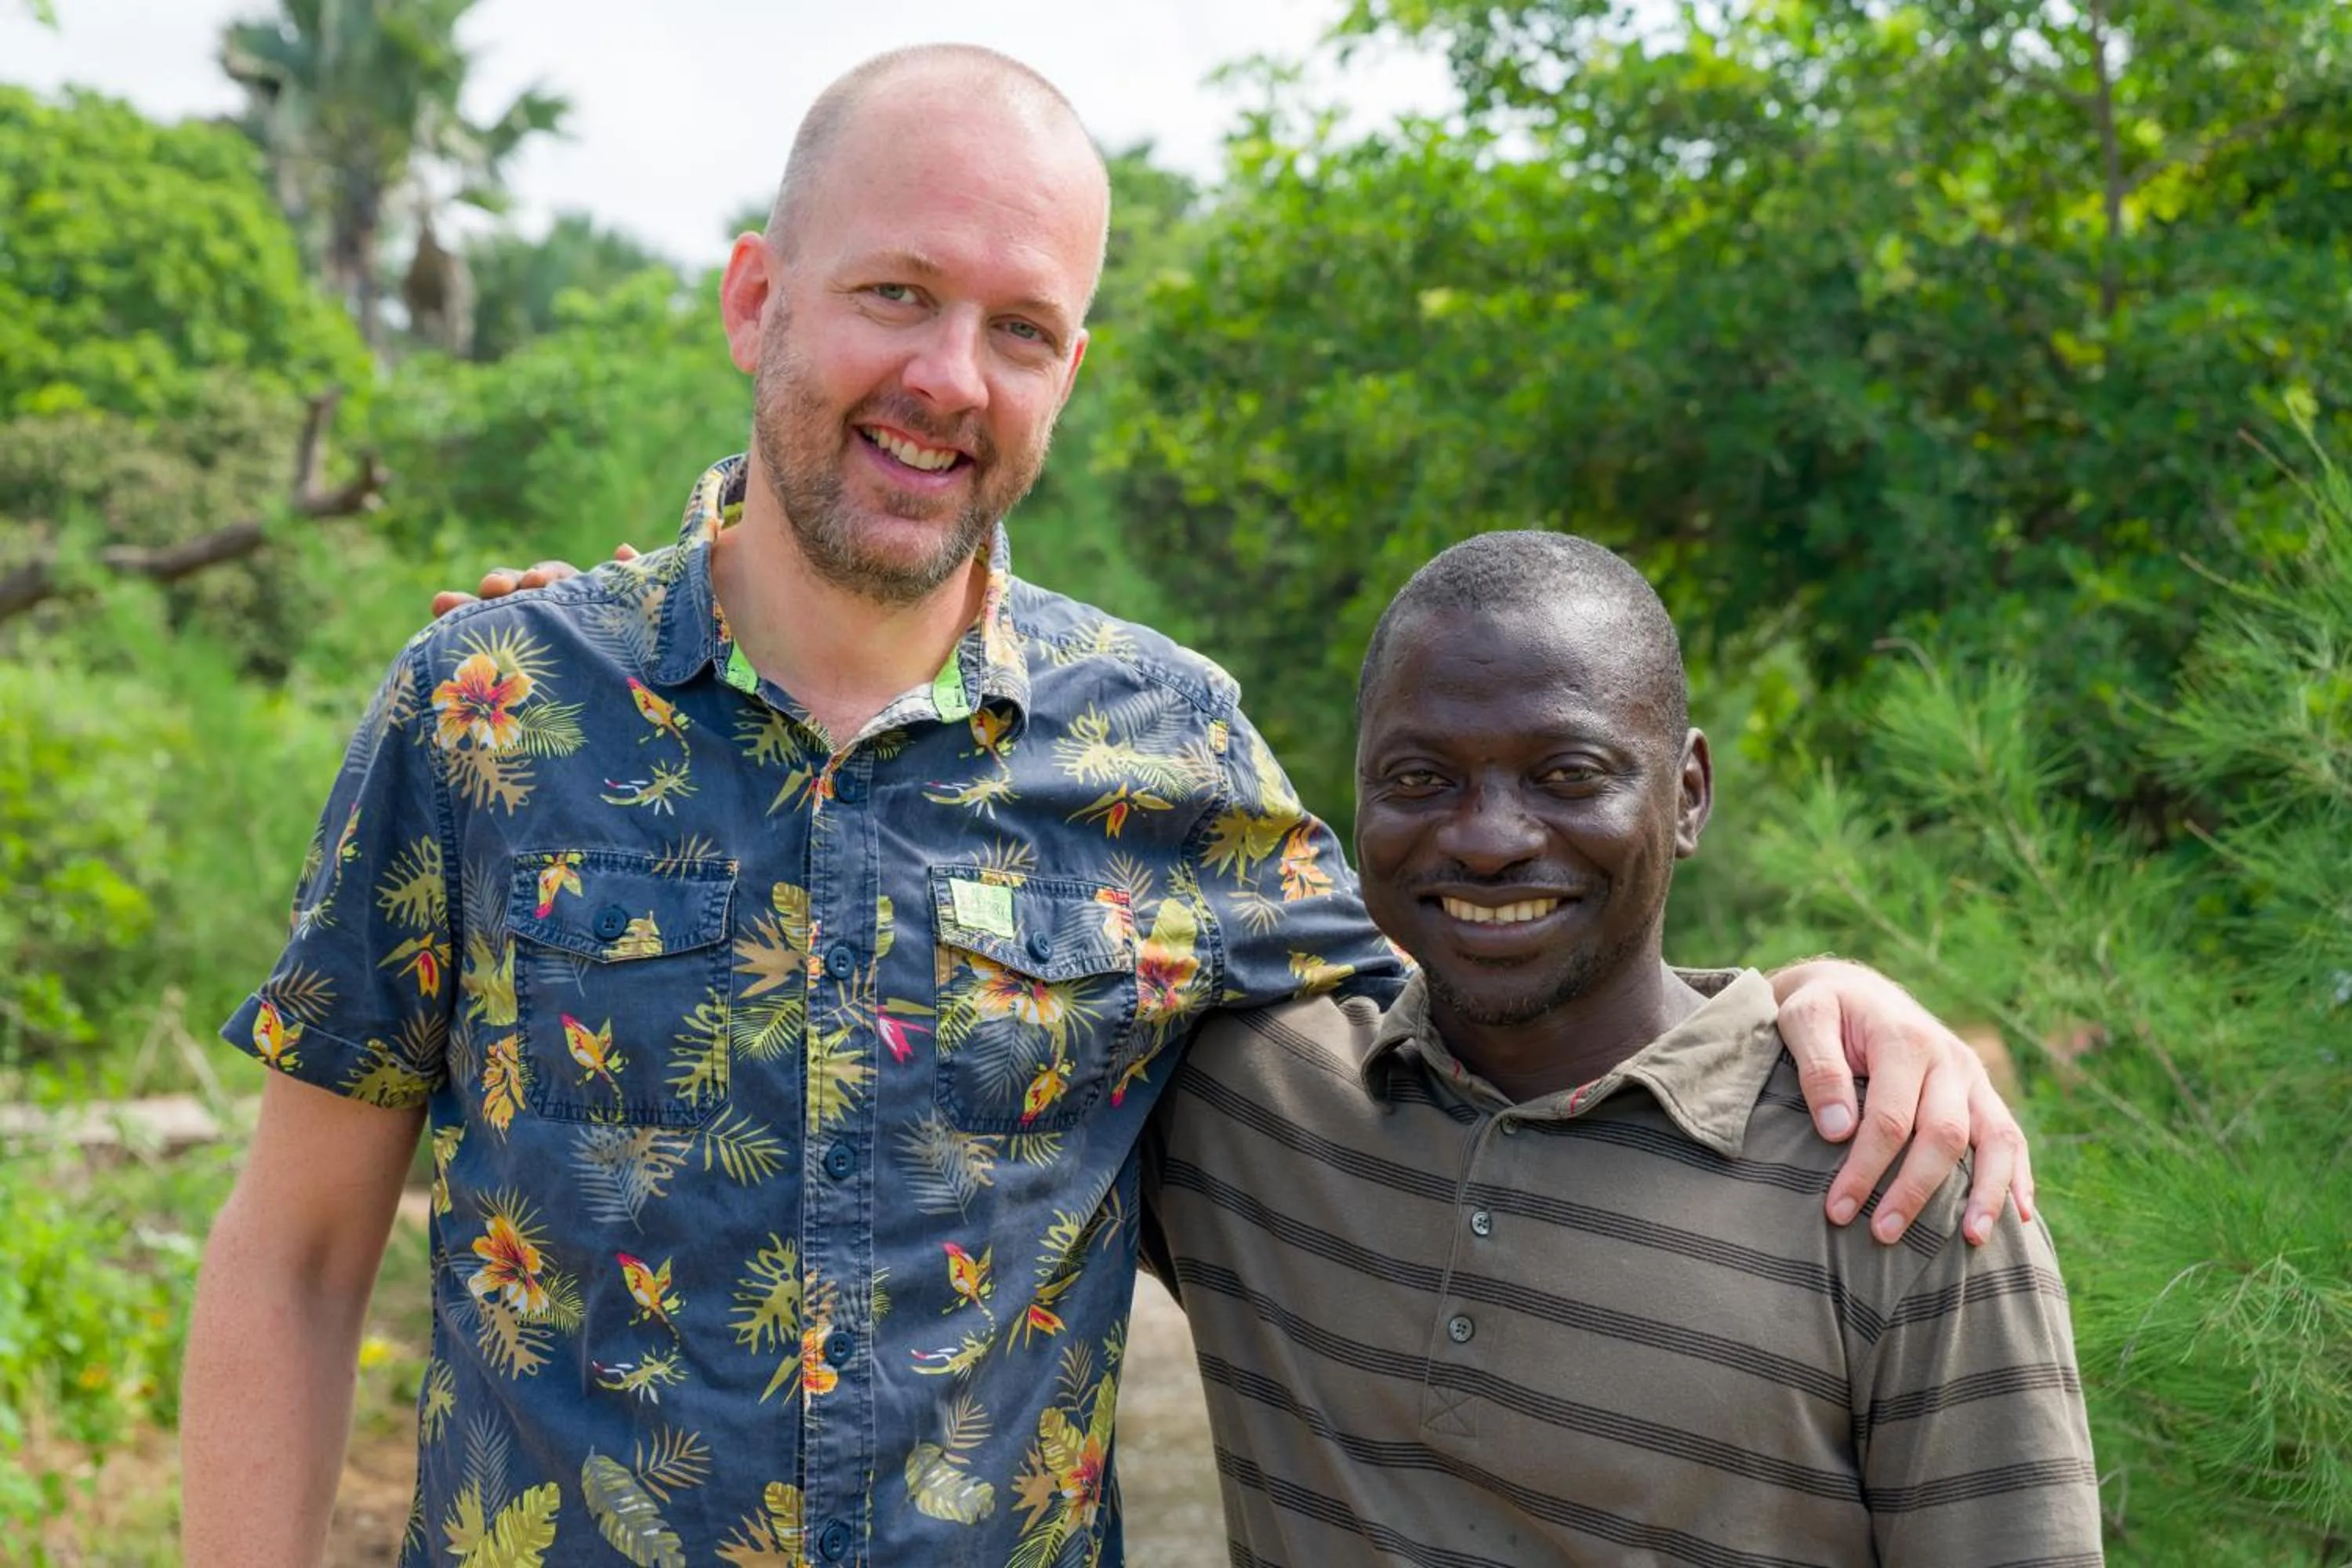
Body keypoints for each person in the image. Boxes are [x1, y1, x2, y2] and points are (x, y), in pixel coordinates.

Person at [180, 44, 2030, 1568]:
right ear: (761, 296)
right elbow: (297, 1250)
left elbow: (1500, 980)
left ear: (1070, 368)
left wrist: (1812, 994)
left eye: (1021, 328)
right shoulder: (489, 707)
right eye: (896, 294)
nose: (943, 380)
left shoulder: (1171, 747)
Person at [1144, 530, 2101, 1564]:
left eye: (1568, 773)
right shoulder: (1244, 1100)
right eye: (1422, 778)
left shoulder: (1899, 1180)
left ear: (1688, 794)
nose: (1489, 838)